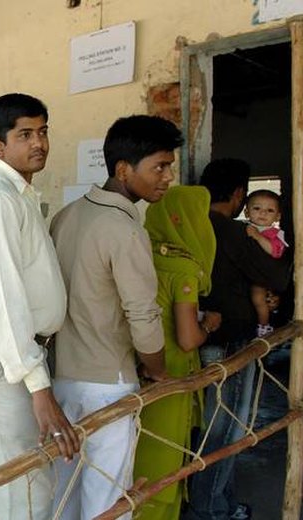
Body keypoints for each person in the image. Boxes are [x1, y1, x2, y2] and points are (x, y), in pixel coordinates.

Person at [49, 115, 180, 519]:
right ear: (124, 170)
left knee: (64, 492)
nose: (168, 177)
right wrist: (156, 369)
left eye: (169, 166)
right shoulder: (124, 229)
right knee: (107, 498)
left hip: (62, 380)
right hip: (108, 382)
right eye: (159, 166)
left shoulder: (65, 216)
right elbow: (142, 315)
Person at [0, 93, 79, 518]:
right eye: (25, 134)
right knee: (18, 488)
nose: (39, 143)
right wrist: (39, 388)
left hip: (16, 351)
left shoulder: (19, 194)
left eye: (42, 131)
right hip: (2, 353)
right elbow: (5, 301)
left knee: (19, 483)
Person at [186, 159, 291, 520]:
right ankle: (210, 508)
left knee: (211, 423)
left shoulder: (190, 224)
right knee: (227, 425)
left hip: (198, 334)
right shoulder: (231, 231)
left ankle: (221, 502)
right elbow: (276, 277)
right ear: (238, 195)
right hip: (231, 340)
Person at [133, 185, 221, 519]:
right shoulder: (183, 268)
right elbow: (187, 338)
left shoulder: (142, 252)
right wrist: (210, 325)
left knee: (139, 455)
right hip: (170, 373)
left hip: (139, 366)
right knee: (165, 459)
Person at [242, 189, 287, 337]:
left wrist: (258, 237)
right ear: (247, 212)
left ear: (277, 216)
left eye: (269, 210)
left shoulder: (273, 234)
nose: (263, 213)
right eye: (257, 208)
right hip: (247, 276)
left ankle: (264, 327)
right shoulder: (242, 228)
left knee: (258, 297)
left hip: (263, 278)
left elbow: (275, 251)